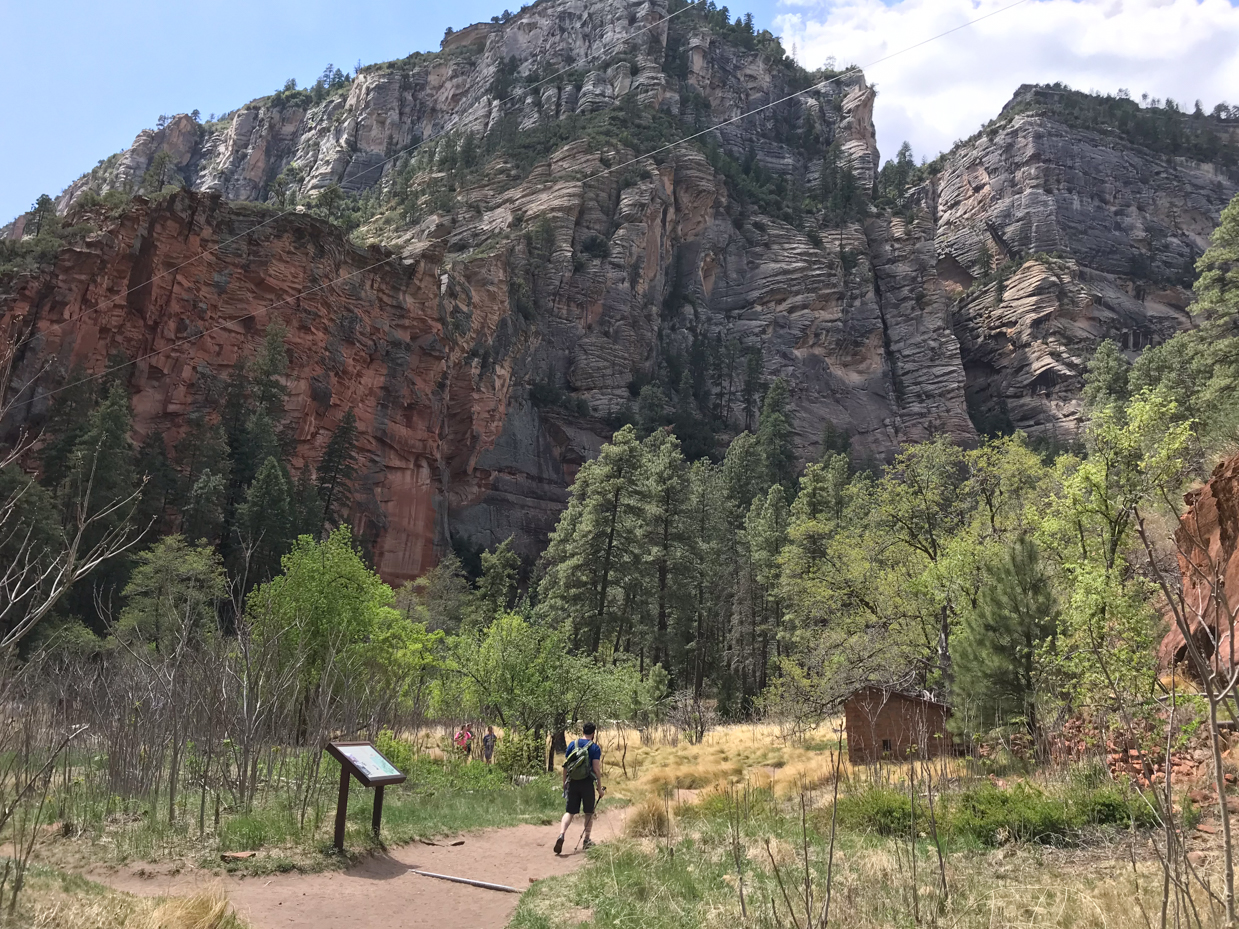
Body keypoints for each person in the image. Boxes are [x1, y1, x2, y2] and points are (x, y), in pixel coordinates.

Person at [554, 722, 604, 855]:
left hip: (573, 782)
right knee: (588, 812)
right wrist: (599, 788)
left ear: (582, 731)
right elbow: (596, 769)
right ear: (593, 733)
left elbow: (565, 766)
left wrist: (565, 783)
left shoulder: (572, 745)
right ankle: (586, 840)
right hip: (587, 784)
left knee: (569, 812)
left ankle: (561, 834)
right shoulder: (594, 748)